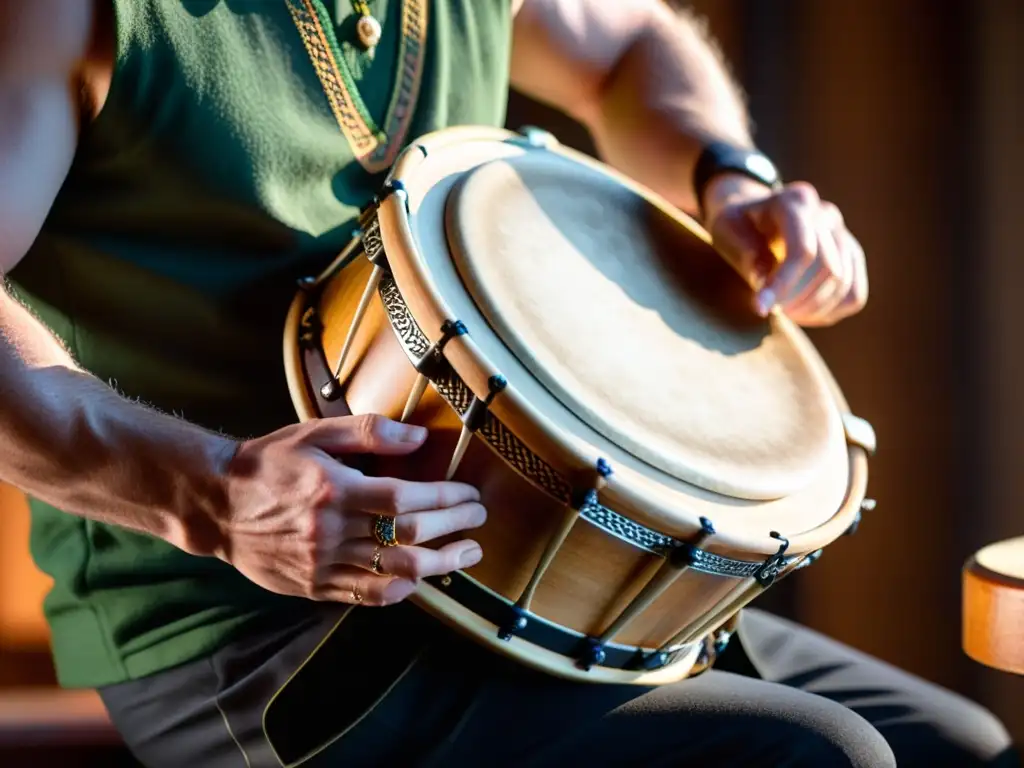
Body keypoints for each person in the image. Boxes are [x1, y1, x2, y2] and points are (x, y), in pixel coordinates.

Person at [0, 0, 1016, 766]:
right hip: (247, 634)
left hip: (522, 559)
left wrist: (728, 174)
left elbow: (626, 46)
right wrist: (217, 496)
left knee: (957, 748)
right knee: (815, 761)